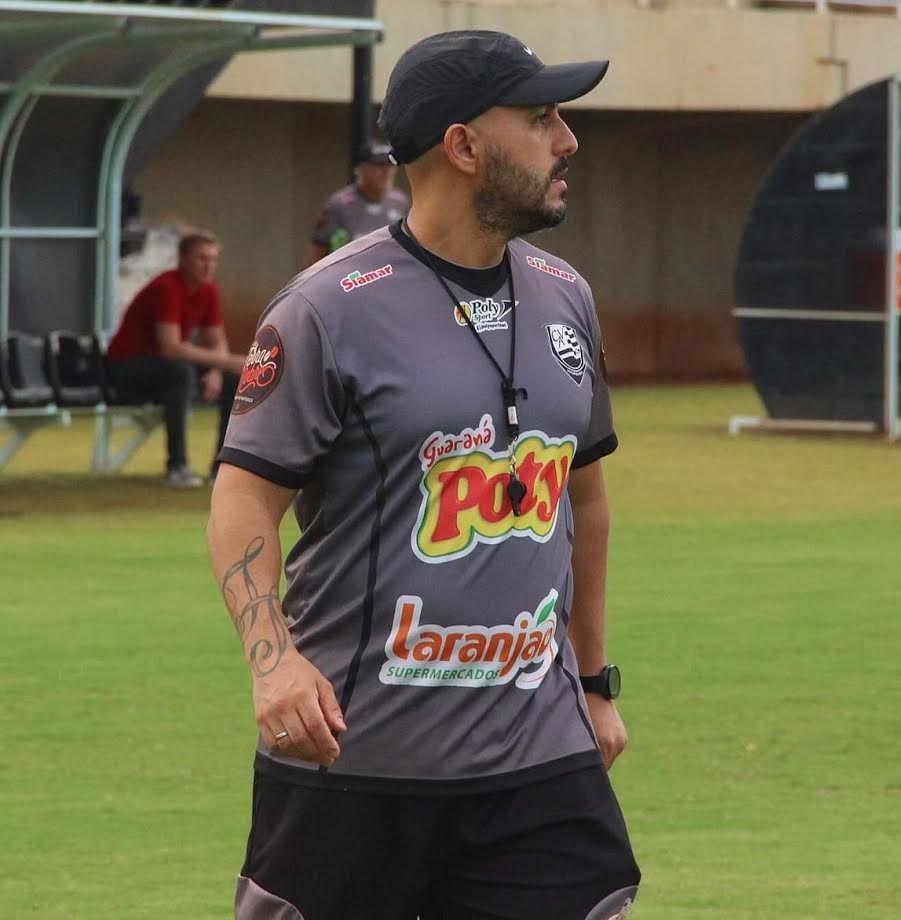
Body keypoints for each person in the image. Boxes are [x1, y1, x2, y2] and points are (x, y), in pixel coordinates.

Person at [208, 29, 640, 920]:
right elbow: (243, 495)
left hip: (538, 758)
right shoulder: (325, 309)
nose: (567, 140)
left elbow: (584, 497)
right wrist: (273, 664)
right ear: (464, 145)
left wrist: (593, 683)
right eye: (541, 117)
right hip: (357, 757)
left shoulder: (567, 295)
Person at [107, 230, 246, 487]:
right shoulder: (166, 287)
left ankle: (222, 469)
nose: (208, 266)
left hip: (166, 368)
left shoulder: (208, 290)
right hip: (126, 368)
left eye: (213, 259)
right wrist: (228, 361)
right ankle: (177, 467)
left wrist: (217, 371)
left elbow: (216, 341)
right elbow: (170, 347)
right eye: (201, 258)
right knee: (180, 372)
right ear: (183, 259)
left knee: (235, 381)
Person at [308, 140, 410, 263]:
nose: (386, 172)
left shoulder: (399, 201)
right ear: (362, 169)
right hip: (351, 269)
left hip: (389, 268)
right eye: (379, 166)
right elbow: (319, 250)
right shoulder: (340, 204)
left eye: (390, 165)